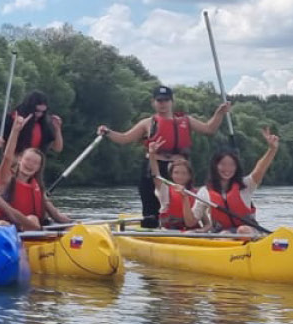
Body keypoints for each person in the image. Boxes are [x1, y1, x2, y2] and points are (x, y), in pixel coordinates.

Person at [98, 85, 232, 228]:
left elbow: (209, 129)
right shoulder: (147, 123)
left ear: (172, 102)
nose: (163, 104)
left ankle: (186, 227)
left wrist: (220, 114)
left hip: (178, 168)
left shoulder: (186, 120)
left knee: (181, 202)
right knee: (151, 207)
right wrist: (108, 132)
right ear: (153, 102)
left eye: (166, 100)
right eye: (159, 100)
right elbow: (124, 138)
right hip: (155, 165)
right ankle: (152, 226)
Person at [200, 129, 280, 233]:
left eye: (232, 165)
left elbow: (260, 169)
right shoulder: (204, 191)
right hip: (222, 235)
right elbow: (191, 221)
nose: (227, 169)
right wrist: (184, 198)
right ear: (215, 166)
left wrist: (272, 149)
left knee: (243, 230)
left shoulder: (246, 184)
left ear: (237, 167)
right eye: (223, 164)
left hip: (248, 232)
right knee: (224, 234)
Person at [0, 145, 70, 233]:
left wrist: (73, 224)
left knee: (33, 219)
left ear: (38, 167)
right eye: (27, 160)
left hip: (33, 229)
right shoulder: (6, 181)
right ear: (20, 159)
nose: (30, 164)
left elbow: (56, 215)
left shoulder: (38, 188)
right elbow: (7, 158)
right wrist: (15, 131)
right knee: (2, 223)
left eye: (35, 163)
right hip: (9, 227)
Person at [0, 91, 63, 156]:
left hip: (33, 167)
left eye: (43, 112)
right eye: (37, 110)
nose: (39, 114)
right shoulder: (12, 119)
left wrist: (57, 129)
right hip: (9, 165)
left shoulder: (44, 124)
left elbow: (57, 148)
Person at [154, 154, 207, 230]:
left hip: (190, 231)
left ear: (189, 176)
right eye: (176, 173)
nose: (180, 176)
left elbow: (206, 223)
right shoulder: (165, 190)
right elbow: (156, 175)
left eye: (184, 173)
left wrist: (202, 230)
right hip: (169, 230)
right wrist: (152, 155)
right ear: (171, 175)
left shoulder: (196, 195)